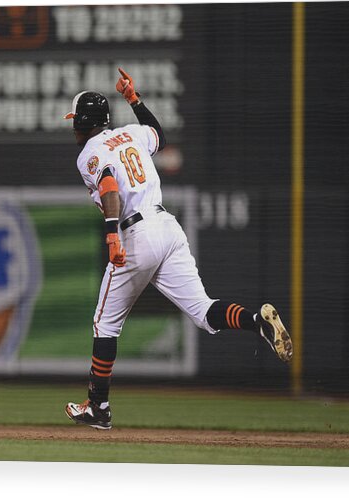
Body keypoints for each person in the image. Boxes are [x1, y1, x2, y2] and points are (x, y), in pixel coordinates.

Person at [64, 68, 293, 430]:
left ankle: (99, 407)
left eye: (75, 120)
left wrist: (111, 236)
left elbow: (109, 184)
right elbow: (161, 136)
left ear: (84, 123)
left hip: (134, 234)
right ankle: (254, 322)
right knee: (203, 311)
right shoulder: (130, 134)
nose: (73, 127)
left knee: (105, 325)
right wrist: (134, 100)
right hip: (167, 227)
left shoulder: (89, 152)